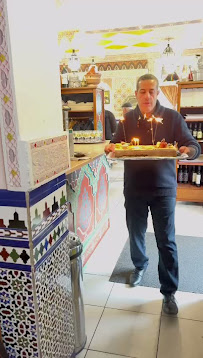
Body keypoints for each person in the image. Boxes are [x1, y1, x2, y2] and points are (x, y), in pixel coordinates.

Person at [105, 74, 201, 315]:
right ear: (136, 93)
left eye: (151, 91)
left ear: (157, 93)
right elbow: (115, 145)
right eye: (142, 91)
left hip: (163, 190)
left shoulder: (172, 118)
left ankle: (169, 291)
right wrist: (111, 147)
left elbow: (192, 145)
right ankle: (139, 266)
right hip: (135, 188)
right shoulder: (127, 120)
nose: (147, 96)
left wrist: (187, 150)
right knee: (135, 232)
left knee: (166, 240)